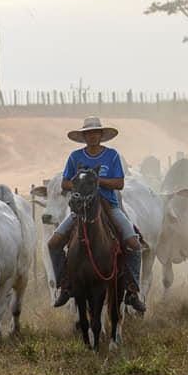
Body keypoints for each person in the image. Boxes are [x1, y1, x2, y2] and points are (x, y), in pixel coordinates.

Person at [48, 116, 147, 312]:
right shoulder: (75, 157)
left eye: (95, 133)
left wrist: (95, 181)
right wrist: (82, 184)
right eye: (88, 134)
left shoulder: (112, 156)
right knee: (53, 243)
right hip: (82, 207)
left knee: (134, 244)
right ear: (84, 137)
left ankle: (132, 289)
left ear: (101, 135)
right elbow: (65, 183)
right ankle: (65, 285)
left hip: (108, 205)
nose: (92, 137)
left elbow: (119, 183)